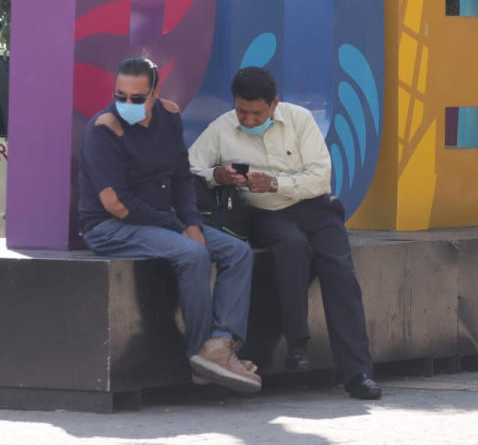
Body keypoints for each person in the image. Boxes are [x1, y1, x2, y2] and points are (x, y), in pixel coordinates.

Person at [188, 67, 382, 400]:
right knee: (291, 246)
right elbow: (191, 168)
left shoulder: (300, 119)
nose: (248, 120)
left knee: (340, 275)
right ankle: (296, 347)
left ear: (274, 103)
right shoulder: (221, 128)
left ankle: (358, 373)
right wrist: (218, 175)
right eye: (242, 112)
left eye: (257, 113)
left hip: (315, 208)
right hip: (266, 214)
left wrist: (276, 182)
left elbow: (320, 177)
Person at [78, 57, 261, 393]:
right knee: (193, 254)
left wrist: (190, 220)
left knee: (238, 253)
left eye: (137, 97)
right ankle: (199, 357)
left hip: (166, 222)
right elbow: (116, 205)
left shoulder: (170, 115)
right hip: (111, 227)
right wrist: (179, 227)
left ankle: (218, 347)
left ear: (156, 91)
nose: (127, 104)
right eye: (120, 96)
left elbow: (181, 175)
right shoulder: (103, 129)